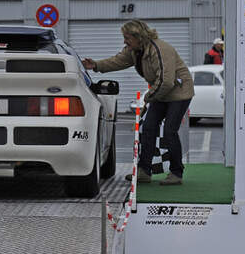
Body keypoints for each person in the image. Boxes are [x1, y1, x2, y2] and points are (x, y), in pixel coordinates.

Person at [82, 20, 194, 186]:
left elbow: (166, 81)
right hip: (161, 93)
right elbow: (118, 61)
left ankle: (176, 173)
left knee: (170, 131)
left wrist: (147, 97)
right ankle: (144, 171)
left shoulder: (160, 50)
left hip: (178, 93)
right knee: (148, 127)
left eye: (127, 38)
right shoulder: (135, 50)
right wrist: (96, 65)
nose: (125, 41)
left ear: (138, 37)